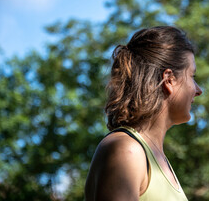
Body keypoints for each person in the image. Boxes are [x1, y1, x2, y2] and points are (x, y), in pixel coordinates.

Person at [85, 26, 202, 200]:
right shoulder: (127, 150)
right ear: (169, 80)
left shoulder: (158, 160)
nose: (198, 90)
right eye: (192, 76)